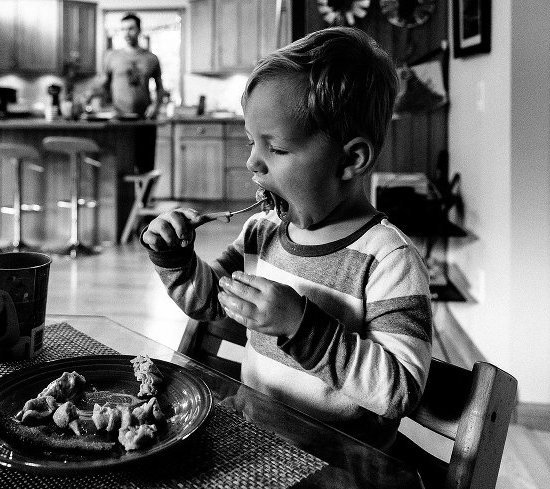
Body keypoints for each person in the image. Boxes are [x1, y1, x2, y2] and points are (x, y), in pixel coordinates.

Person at [141, 27, 432, 450]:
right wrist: (174, 258)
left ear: (351, 158)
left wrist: (301, 325)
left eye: (275, 148)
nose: (252, 162)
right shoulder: (262, 233)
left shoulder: (388, 260)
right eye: (250, 142)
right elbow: (208, 303)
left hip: (338, 464)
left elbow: (401, 390)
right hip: (253, 437)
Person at [97, 13, 165, 173]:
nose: (127, 33)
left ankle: (145, 199)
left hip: (144, 120)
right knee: (121, 168)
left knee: (146, 168)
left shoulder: (152, 58)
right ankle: (127, 199)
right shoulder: (111, 57)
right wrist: (98, 102)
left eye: (131, 29)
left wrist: (156, 105)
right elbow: (103, 85)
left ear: (139, 30)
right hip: (119, 121)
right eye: (123, 29)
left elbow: (160, 88)